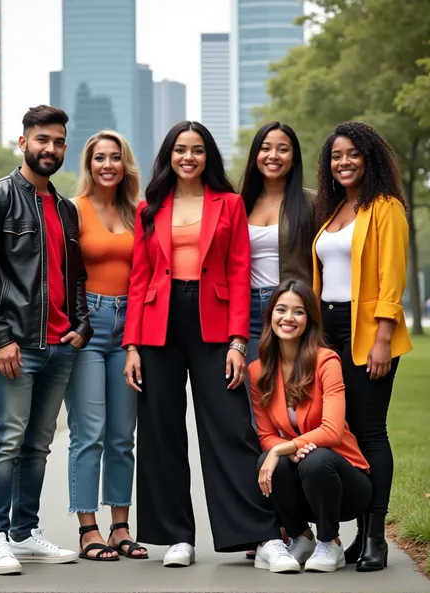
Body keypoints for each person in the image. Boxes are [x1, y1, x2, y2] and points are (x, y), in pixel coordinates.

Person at [123, 120, 279, 568]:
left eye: (196, 150)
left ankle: (259, 535)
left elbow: (238, 270)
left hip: (215, 324)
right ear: (168, 156)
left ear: (208, 156)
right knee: (160, 430)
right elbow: (138, 279)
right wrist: (131, 345)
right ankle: (176, 536)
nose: (188, 157)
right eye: (179, 149)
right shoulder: (149, 208)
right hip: (158, 324)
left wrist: (236, 340)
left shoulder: (229, 204)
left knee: (232, 427)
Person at [0, 105, 93, 575]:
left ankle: (24, 532)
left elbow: (75, 277)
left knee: (37, 445)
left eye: (59, 142)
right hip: (17, 346)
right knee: (6, 441)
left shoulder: (65, 208)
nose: (51, 149)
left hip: (61, 345)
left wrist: (81, 326)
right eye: (43, 140)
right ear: (23, 143)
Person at [313, 122, 413, 571]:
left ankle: (376, 536)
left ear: (369, 158)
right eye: (336, 155)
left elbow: (392, 275)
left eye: (352, 153)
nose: (344, 162)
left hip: (368, 329)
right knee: (342, 433)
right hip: (328, 329)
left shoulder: (385, 207)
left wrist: (383, 338)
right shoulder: (332, 210)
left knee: (370, 432)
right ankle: (352, 535)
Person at [249, 279, 372, 573]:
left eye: (298, 312)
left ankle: (330, 543)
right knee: (268, 461)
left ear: (310, 320)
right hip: (304, 477)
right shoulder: (258, 371)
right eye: (281, 310)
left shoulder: (326, 361)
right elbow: (265, 434)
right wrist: (282, 453)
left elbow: (332, 430)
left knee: (315, 459)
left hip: (346, 483)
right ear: (270, 316)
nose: (288, 318)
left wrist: (287, 448)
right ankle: (301, 536)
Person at [64, 130, 147, 561]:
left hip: (127, 327)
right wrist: (75, 323)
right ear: (89, 164)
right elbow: (62, 273)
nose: (108, 165)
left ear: (125, 163)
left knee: (121, 436)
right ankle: (87, 528)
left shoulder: (137, 213)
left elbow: (144, 277)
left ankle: (120, 525)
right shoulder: (73, 210)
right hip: (89, 326)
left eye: (116, 157)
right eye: (100, 158)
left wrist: (134, 339)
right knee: (89, 432)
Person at [240, 121, 317, 367]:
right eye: (266, 148)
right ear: (255, 156)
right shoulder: (238, 204)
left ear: (293, 158)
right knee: (256, 394)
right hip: (248, 311)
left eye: (283, 149)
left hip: (292, 310)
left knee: (293, 395)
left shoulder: (312, 204)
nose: (273, 156)